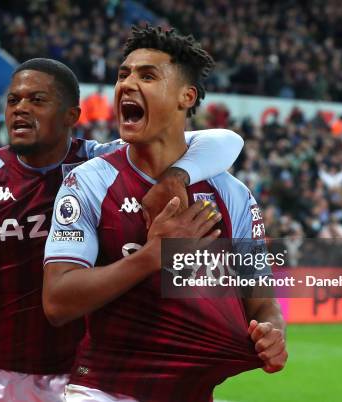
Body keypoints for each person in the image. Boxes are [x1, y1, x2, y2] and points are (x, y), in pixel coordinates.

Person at [0, 57, 245, 402]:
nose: (20, 109)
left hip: (84, 379)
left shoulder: (98, 166)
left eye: (37, 100)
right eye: (13, 100)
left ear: (71, 117)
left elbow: (226, 141)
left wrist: (175, 177)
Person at [43, 26, 287, 401]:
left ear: (185, 97)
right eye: (123, 74)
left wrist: (272, 331)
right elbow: (57, 301)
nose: (126, 84)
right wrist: (151, 257)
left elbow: (261, 298)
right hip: (105, 389)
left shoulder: (231, 194)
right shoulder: (88, 181)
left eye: (147, 75)